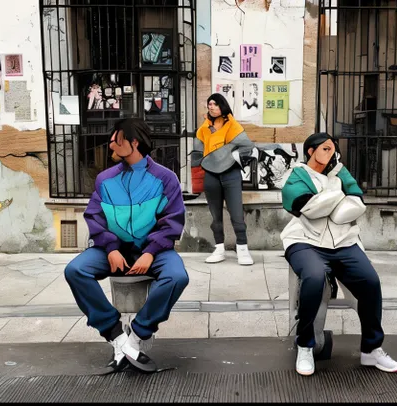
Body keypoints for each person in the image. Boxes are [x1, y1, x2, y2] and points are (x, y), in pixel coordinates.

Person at [64, 118, 189, 373]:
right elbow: (95, 217)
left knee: (177, 276)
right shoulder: (105, 179)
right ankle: (115, 334)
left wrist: (151, 253)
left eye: (116, 139)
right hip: (111, 250)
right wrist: (110, 248)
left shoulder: (166, 179)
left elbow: (172, 222)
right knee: (75, 270)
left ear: (133, 143)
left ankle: (137, 335)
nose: (110, 144)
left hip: (155, 250)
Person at [281, 132, 397, 376]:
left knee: (370, 281)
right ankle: (305, 345)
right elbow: (308, 208)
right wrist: (338, 194)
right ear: (310, 151)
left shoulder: (341, 172)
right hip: (304, 241)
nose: (331, 154)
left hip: (344, 242)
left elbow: (357, 203)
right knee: (314, 277)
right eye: (325, 149)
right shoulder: (297, 175)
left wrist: (333, 203)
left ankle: (372, 349)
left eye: (333, 150)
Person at [195, 93, 255, 265]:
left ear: (222, 105)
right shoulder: (203, 129)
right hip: (210, 175)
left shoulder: (233, 126)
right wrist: (208, 162)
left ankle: (242, 248)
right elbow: (197, 152)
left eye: (215, 103)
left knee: (236, 213)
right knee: (215, 215)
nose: (211, 106)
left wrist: (227, 156)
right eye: (209, 104)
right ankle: (219, 248)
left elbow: (247, 147)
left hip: (231, 174)